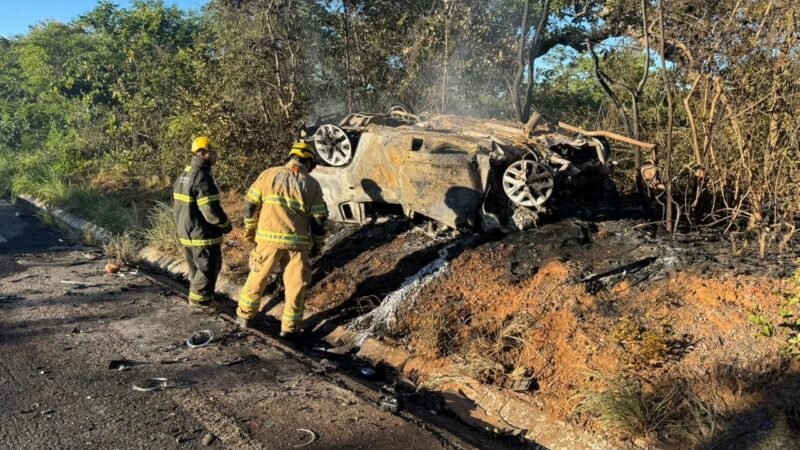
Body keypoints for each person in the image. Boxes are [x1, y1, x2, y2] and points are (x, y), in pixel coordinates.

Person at [237, 141, 327, 337]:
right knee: (296, 286)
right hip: (297, 244)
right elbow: (319, 219)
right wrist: (318, 243)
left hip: (267, 240)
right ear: (309, 162)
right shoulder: (312, 184)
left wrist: (250, 229)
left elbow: (250, 205)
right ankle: (290, 329)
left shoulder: (268, 175)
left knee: (257, 278)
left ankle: (244, 317)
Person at [173, 136, 232, 308]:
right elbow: (210, 210)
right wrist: (225, 225)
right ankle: (201, 304)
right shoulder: (201, 176)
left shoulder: (184, 173)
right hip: (202, 234)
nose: (216, 156)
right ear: (203, 153)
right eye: (213, 153)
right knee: (208, 269)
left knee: (195, 270)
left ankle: (200, 300)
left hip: (187, 231)